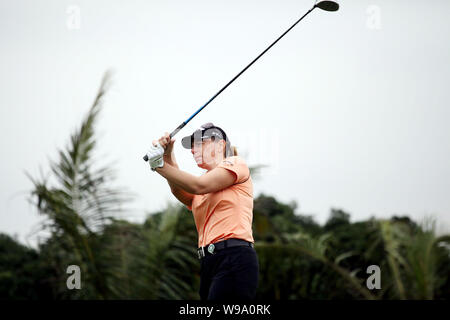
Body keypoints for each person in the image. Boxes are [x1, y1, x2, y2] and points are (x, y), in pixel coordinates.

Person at [146, 122, 259, 300]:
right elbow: (179, 190)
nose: (192, 150)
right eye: (191, 146)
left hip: (233, 257)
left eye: (199, 143)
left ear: (220, 144)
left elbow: (198, 186)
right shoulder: (203, 182)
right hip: (209, 262)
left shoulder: (236, 163)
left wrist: (159, 165)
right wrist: (167, 156)